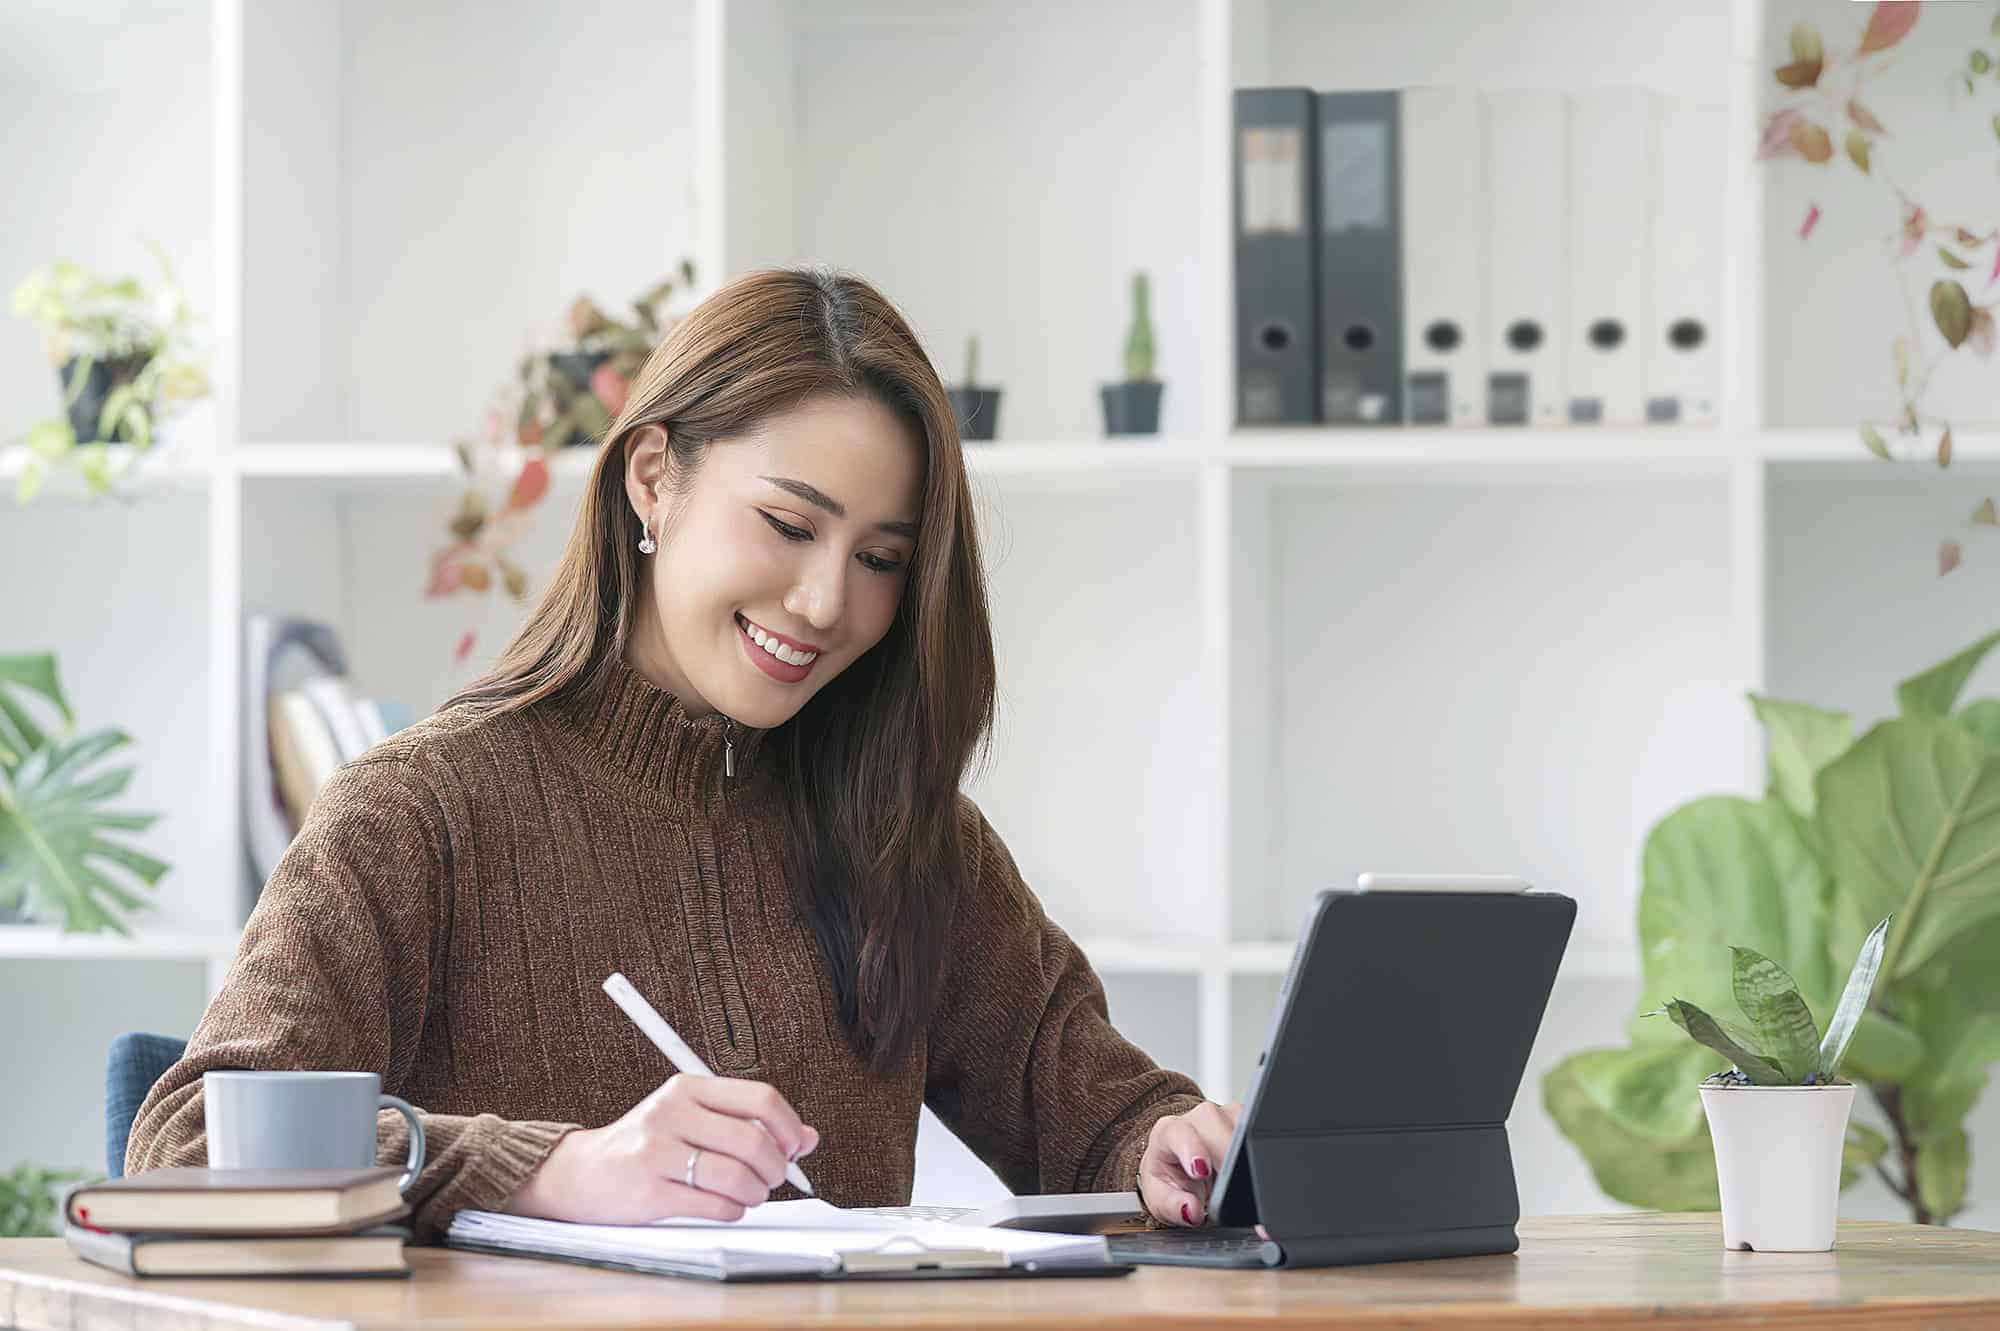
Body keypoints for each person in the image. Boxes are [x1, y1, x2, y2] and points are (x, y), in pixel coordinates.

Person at [127, 266, 1240, 1240]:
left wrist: (1157, 1144)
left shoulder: (904, 830)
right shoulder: (421, 811)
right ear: (651, 475)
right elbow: (189, 1145)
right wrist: (554, 1170)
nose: (823, 602)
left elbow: (1090, 1112)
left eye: (881, 557)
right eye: (790, 526)